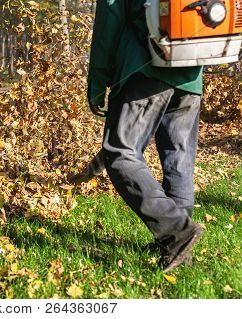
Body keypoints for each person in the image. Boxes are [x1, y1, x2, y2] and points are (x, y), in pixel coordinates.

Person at [80, 0, 204, 272]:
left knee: (120, 154)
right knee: (179, 160)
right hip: (191, 75)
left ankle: (177, 232)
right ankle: (176, 248)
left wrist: (98, 86)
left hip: (145, 71)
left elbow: (107, 28)